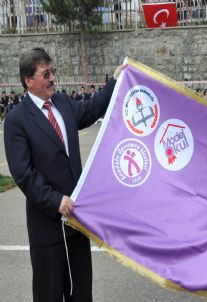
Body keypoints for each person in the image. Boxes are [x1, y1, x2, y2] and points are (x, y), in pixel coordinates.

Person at [4, 47, 125, 302]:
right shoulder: (17, 120)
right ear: (29, 80)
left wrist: (116, 81)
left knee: (81, 295)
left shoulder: (61, 103)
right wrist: (56, 201)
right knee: (48, 295)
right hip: (47, 229)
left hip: (76, 224)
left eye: (52, 72)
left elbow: (92, 109)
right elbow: (24, 174)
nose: (53, 78)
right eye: (46, 74)